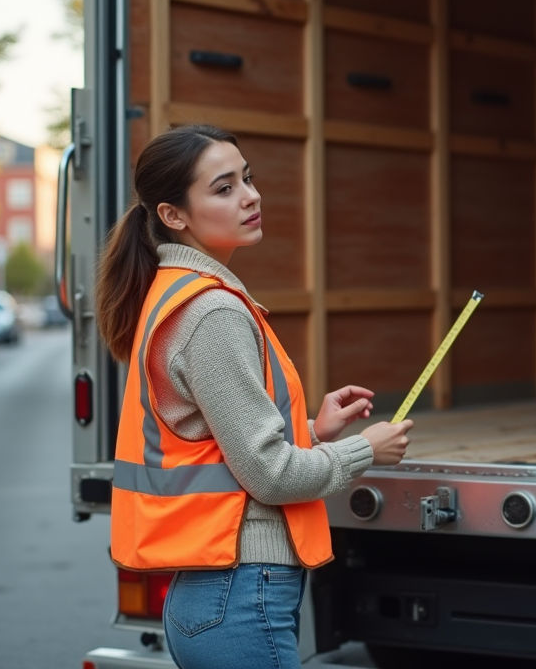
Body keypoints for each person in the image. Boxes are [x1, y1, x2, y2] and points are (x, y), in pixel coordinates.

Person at [94, 123, 414, 669]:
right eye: (224, 188)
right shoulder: (212, 312)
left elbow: (222, 453)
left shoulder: (179, 295)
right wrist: (366, 450)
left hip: (221, 592)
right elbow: (269, 476)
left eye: (247, 178)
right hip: (239, 592)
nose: (251, 195)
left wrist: (313, 433)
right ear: (174, 215)